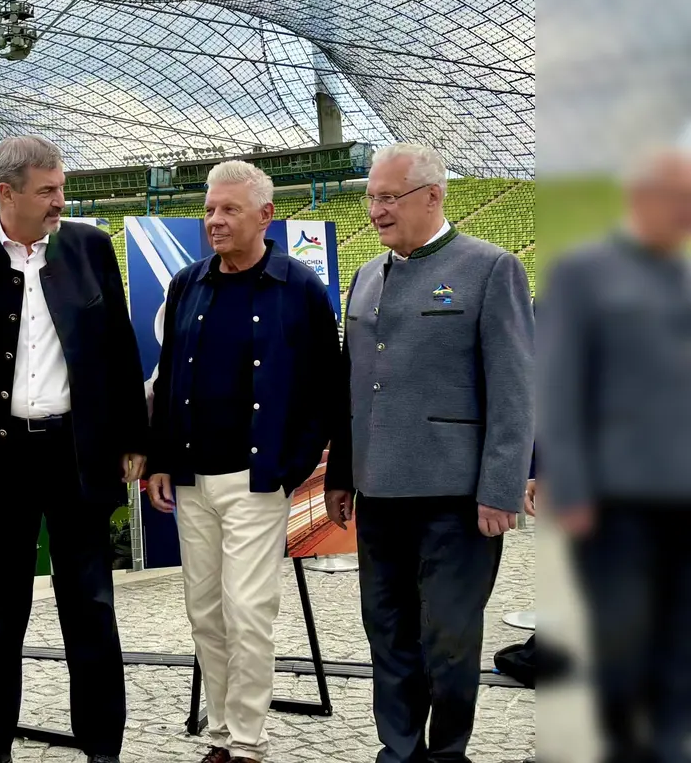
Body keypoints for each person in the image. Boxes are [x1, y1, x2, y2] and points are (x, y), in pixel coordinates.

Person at [0, 135, 146, 763]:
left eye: (61, 188)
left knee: (91, 606)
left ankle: (102, 745)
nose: (60, 201)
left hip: (76, 454)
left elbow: (118, 348)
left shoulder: (89, 248)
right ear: (6, 193)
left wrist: (133, 437)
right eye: (48, 190)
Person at [325, 142, 534, 763]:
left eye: (388, 198)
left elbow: (515, 391)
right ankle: (400, 751)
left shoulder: (490, 269)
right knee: (387, 632)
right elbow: (353, 387)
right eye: (370, 198)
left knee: (448, 637)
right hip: (379, 491)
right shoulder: (366, 276)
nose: (376, 212)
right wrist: (341, 474)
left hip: (455, 496)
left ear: (433, 196)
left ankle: (447, 753)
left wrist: (500, 488)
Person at [145, 161, 344, 763]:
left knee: (248, 610)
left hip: (257, 482)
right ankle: (221, 735)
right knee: (204, 611)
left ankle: (249, 743)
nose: (214, 221)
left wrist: (292, 466)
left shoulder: (299, 287)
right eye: (209, 209)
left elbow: (325, 389)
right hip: (191, 479)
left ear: (265, 216)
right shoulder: (188, 283)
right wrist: (160, 459)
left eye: (229, 210)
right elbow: (168, 379)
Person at [539, 139, 691, 763]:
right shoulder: (583, 272)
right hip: (616, 497)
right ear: (641, 197)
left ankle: (669, 744)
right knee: (623, 637)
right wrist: (570, 488)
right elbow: (559, 386)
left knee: (681, 637)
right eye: (679, 199)